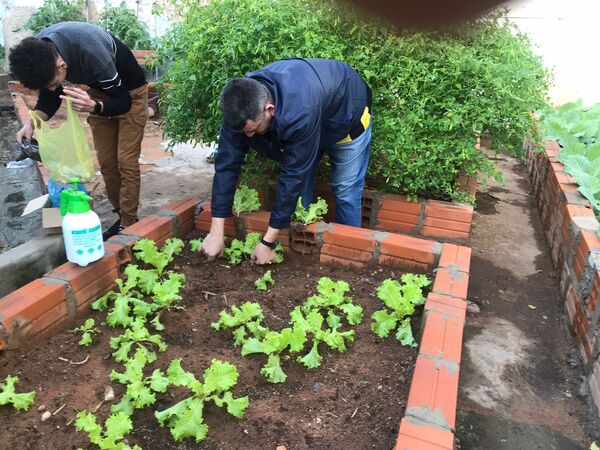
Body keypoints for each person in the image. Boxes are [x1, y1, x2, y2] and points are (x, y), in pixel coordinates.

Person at [201, 58, 372, 265]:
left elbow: (292, 175)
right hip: (313, 110)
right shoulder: (239, 109)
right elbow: (226, 167)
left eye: (253, 131)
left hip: (347, 113)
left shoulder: (299, 111)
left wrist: (267, 243)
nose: (249, 137)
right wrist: (215, 232)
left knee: (345, 189)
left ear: (269, 109)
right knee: (300, 194)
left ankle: (350, 254)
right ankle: (305, 247)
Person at [9, 21, 148, 239]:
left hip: (130, 93)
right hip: (99, 92)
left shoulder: (92, 51)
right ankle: (122, 216)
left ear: (61, 64)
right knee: (108, 164)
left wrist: (95, 106)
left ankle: (129, 222)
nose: (53, 88)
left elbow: (124, 101)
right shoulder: (41, 50)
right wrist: (32, 122)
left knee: (125, 162)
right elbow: (50, 95)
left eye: (54, 82)